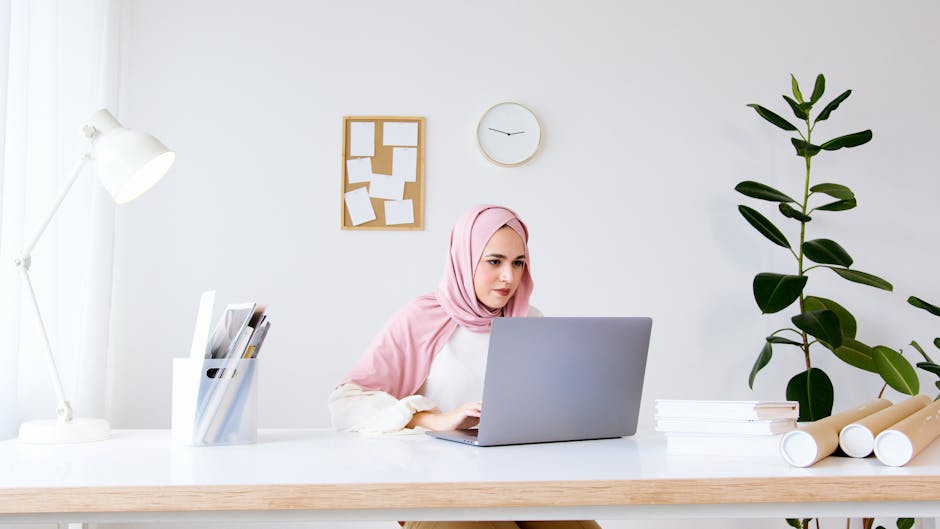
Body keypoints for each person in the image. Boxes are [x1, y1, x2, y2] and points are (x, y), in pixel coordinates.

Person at [328, 204, 601, 529]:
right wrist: (436, 419)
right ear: (465, 258)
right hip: (435, 484)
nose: (508, 277)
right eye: (494, 261)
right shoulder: (420, 319)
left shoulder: (530, 321)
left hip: (520, 478)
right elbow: (346, 403)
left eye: (518, 263)